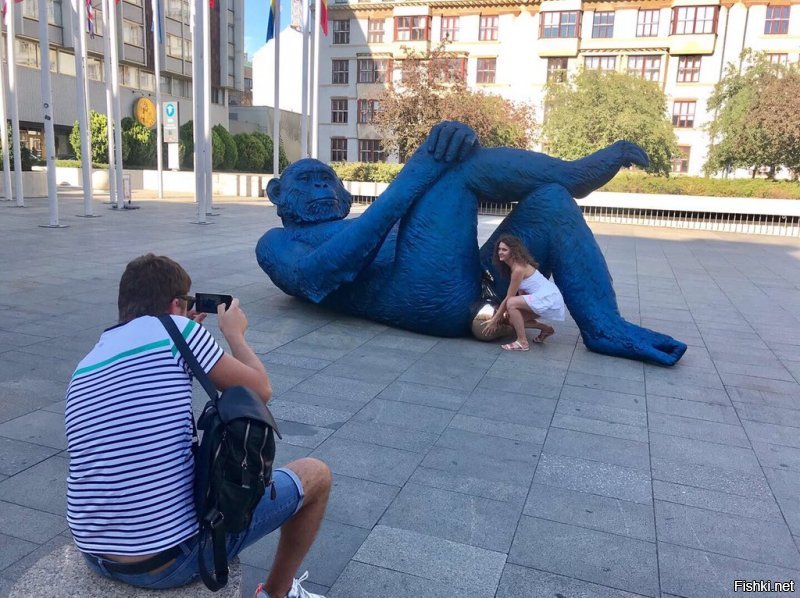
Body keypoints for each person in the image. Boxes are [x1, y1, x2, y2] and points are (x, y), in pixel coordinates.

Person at [256, 121, 686, 366]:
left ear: (344, 194)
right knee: (455, 171)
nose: (318, 190)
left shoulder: (358, 221)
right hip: (425, 302)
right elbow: (315, 278)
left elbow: (419, 228)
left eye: (325, 179)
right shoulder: (277, 241)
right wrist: (420, 168)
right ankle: (572, 175)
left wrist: (422, 172)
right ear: (278, 194)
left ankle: (604, 325)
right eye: (305, 182)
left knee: (551, 202)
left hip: (478, 286)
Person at [65, 254, 332, 598]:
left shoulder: (89, 361)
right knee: (316, 475)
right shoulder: (179, 329)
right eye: (186, 304)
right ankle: (275, 593)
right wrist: (234, 334)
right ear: (177, 304)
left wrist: (186, 333)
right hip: (167, 561)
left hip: (95, 553)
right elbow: (260, 389)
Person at [483, 235, 566, 351]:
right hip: (542, 297)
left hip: (548, 298)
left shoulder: (518, 269)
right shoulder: (514, 266)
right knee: (512, 320)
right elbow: (522, 291)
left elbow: (509, 298)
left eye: (504, 250)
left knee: (511, 302)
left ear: (513, 251)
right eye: (499, 249)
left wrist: (495, 319)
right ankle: (546, 329)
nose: (500, 252)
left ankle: (522, 342)